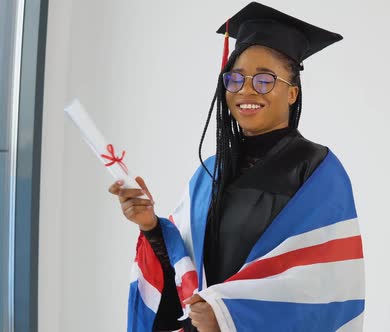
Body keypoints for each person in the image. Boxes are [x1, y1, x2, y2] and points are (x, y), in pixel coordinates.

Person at [109, 2, 365, 331]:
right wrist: (151, 227)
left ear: (292, 94)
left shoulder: (316, 170)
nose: (246, 89)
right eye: (235, 78)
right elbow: (184, 272)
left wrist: (227, 315)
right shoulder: (210, 173)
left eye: (264, 80)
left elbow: (324, 291)